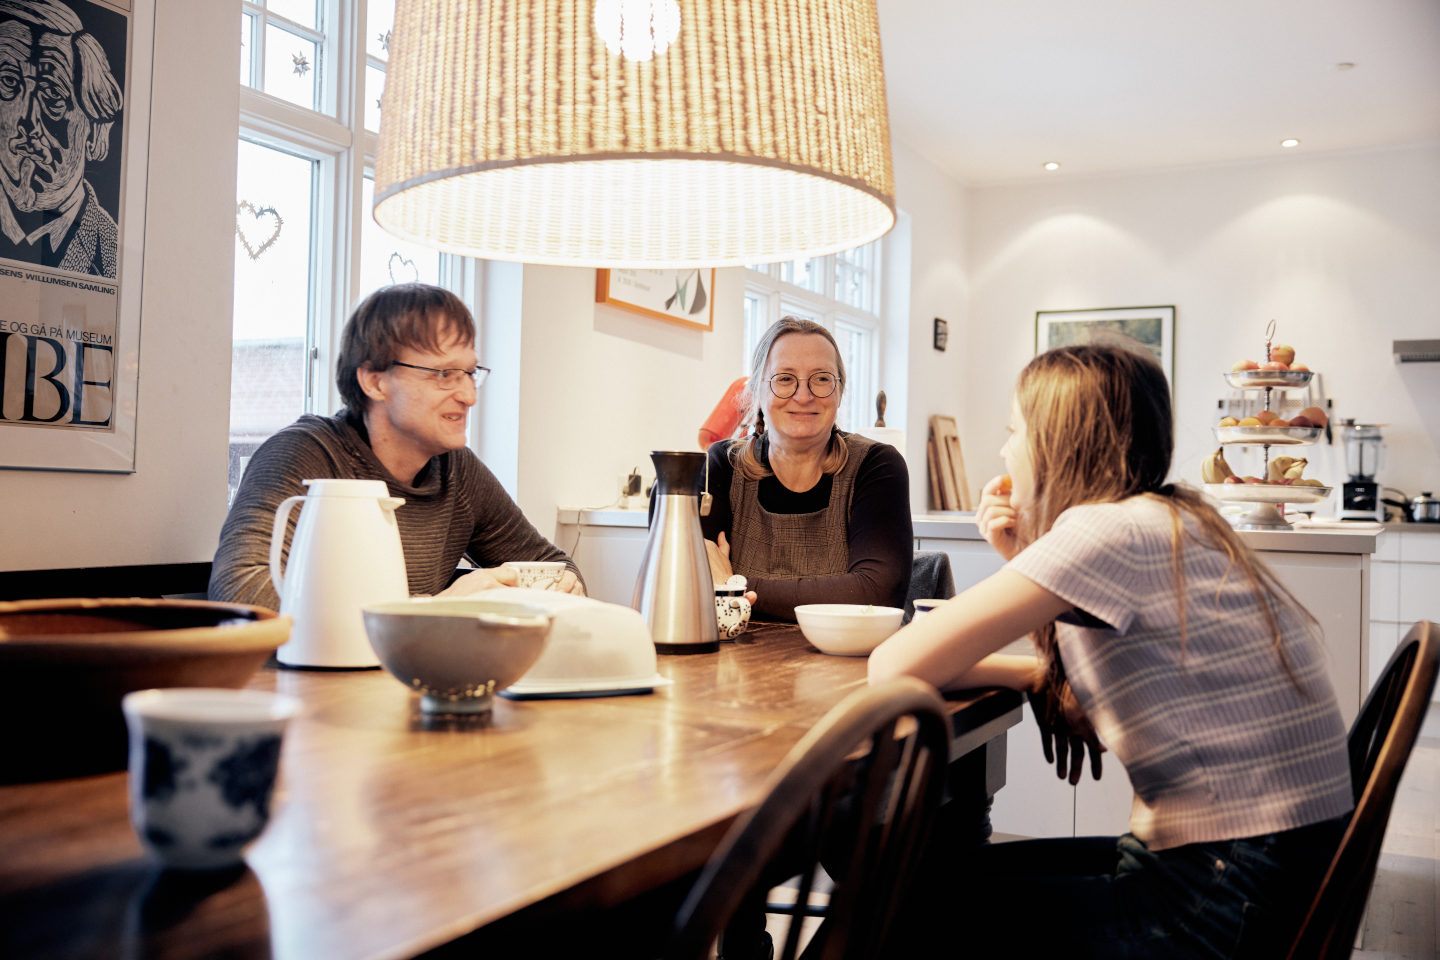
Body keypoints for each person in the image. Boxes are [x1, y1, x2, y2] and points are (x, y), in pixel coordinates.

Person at [867, 342, 1353, 958]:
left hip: (1221, 891)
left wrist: (1026, 574)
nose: (1003, 449)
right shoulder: (1172, 517)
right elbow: (1098, 685)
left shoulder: (1109, 531)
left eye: (1014, 430)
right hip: (1271, 864)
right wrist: (1028, 619)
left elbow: (894, 665)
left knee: (898, 908)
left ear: (1056, 443)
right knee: (928, 889)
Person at [209, 283, 584, 608]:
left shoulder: (458, 470)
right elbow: (241, 593)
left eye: (470, 373)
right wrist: (435, 610)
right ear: (375, 382)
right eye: (444, 374)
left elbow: (557, 566)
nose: (468, 395)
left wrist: (560, 588)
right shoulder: (305, 455)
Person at [700, 316, 911, 621]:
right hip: (735, 663)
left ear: (839, 392)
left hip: (849, 662)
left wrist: (732, 586)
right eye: (785, 378)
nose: (803, 395)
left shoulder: (876, 466)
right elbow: (691, 579)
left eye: (822, 378)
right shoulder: (723, 465)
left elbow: (875, 594)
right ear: (758, 392)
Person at [0, 0, 122, 278]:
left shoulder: (113, 256)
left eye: (52, 95)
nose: (26, 121)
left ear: (94, 131)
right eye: (9, 82)